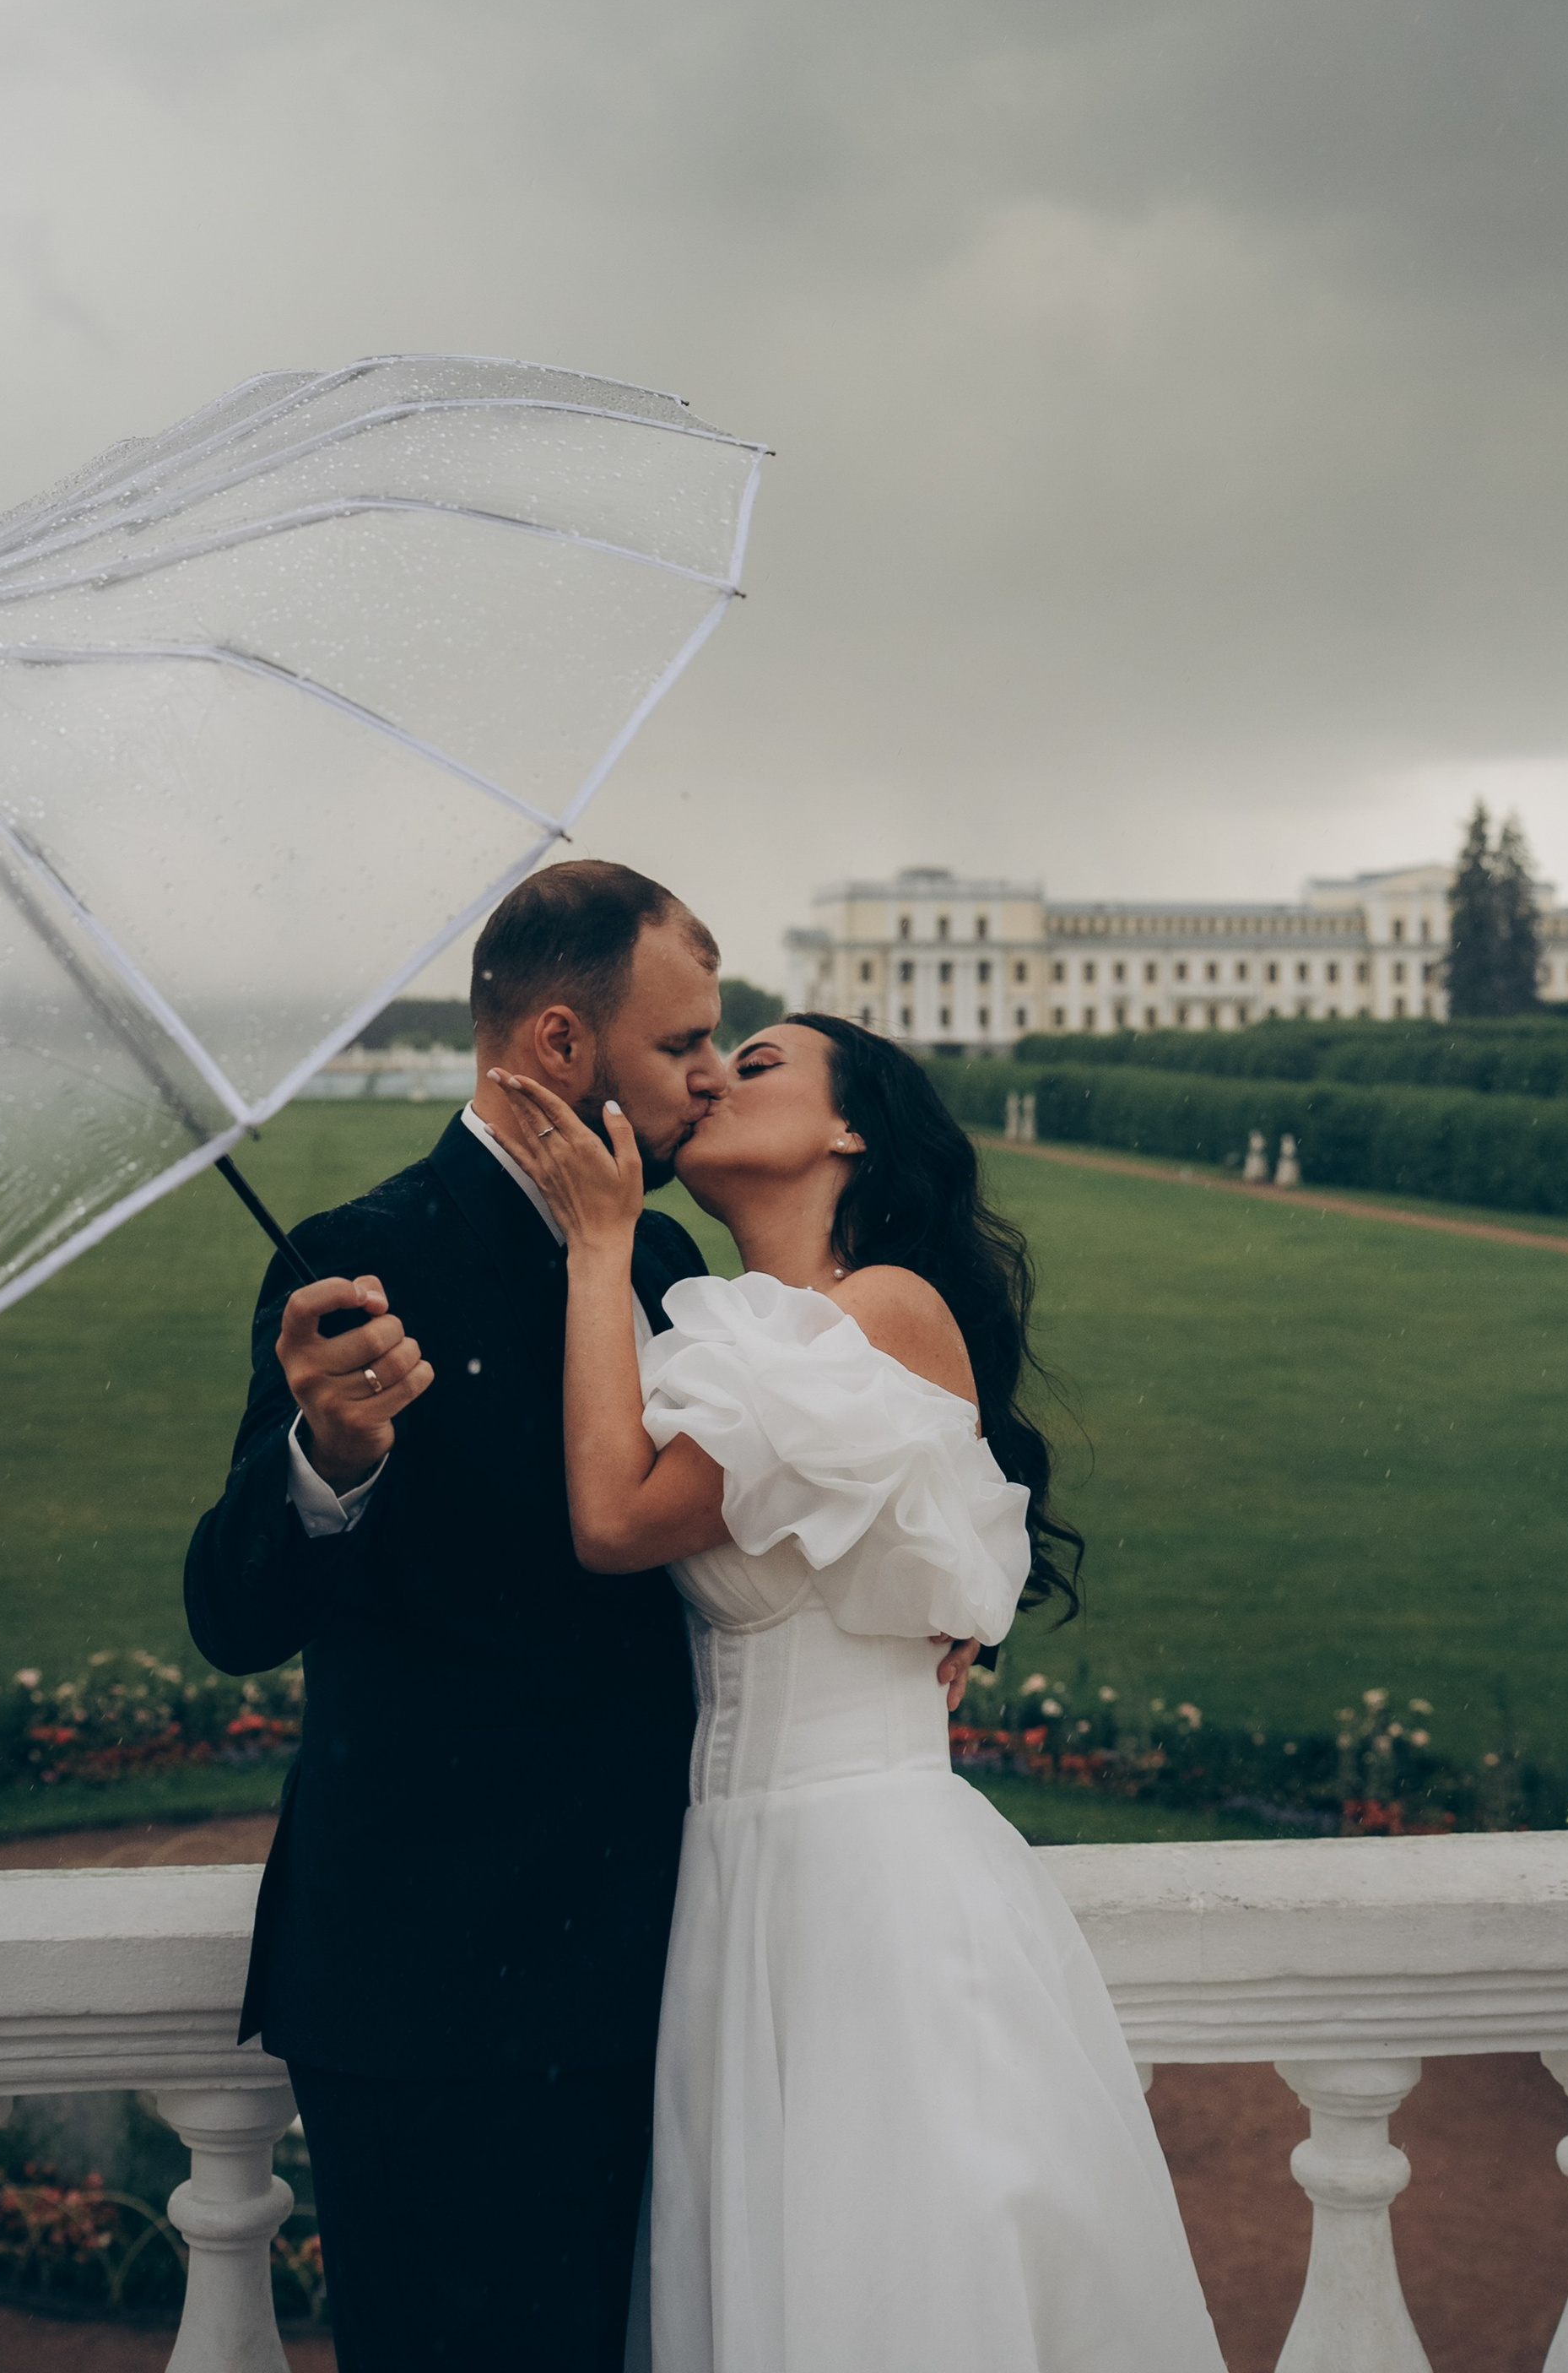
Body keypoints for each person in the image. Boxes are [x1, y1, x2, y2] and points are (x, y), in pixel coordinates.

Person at [183, 863, 971, 2373]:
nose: (704, 1079)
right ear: (558, 1046)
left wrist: (929, 1603)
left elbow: (848, 1452)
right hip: (422, 1989)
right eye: (684, 1045)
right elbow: (232, 1615)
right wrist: (323, 1463)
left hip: (656, 1974)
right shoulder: (361, 1261)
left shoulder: (671, 1264)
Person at [484, 1013, 1229, 2373]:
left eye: (757, 1063)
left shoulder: (883, 1307)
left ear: (851, 1131)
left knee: (888, 2289)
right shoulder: (728, 1333)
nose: (713, 1077)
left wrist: (596, 1244)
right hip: (733, 1889)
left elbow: (615, 1517)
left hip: (867, 1893)